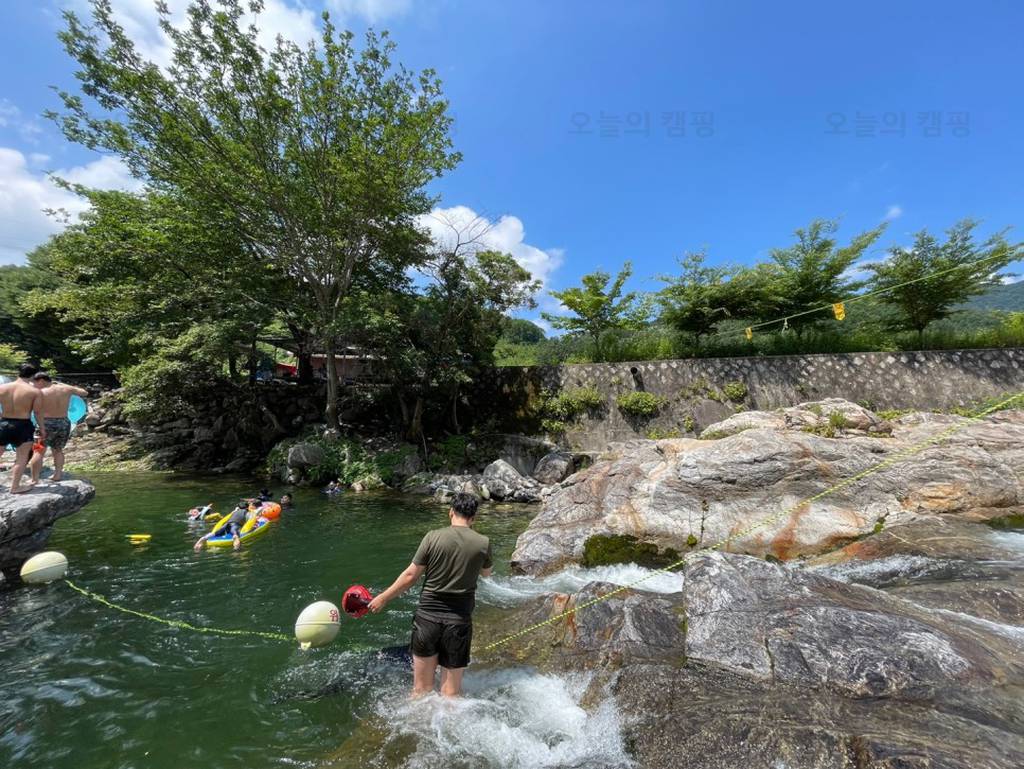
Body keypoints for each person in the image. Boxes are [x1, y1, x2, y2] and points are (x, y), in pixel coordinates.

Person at [368, 493, 493, 698]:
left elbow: (410, 576)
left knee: (420, 690)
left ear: (451, 512)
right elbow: (486, 574)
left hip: (427, 620)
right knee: (451, 694)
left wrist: (383, 597)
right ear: (474, 518)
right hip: (458, 622)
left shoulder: (432, 537)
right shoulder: (483, 543)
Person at [28, 372, 88, 484]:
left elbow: (36, 412)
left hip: (46, 423)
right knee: (58, 450)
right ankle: (58, 475)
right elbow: (84, 392)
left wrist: (41, 427)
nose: (34, 385)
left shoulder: (40, 392)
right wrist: (65, 385)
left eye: (35, 382)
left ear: (41, 380)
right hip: (63, 422)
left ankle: (34, 479)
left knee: (38, 451)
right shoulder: (66, 389)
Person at [0, 363, 47, 493]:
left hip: (4, 423)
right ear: (33, 375)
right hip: (23, 425)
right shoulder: (34, 391)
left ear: (18, 372)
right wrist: (42, 428)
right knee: (22, 457)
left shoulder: (2, 388)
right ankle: (15, 487)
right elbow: (37, 412)